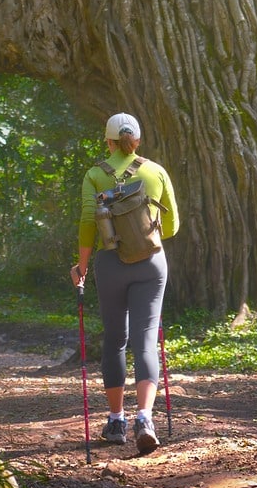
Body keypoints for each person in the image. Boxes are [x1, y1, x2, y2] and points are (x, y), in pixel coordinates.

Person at [70, 112, 178, 451]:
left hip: (110, 264)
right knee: (145, 341)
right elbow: (172, 226)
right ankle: (144, 416)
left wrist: (82, 267)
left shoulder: (94, 174)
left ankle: (116, 420)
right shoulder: (155, 171)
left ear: (108, 141)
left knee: (116, 340)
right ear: (138, 140)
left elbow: (89, 221)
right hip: (151, 264)